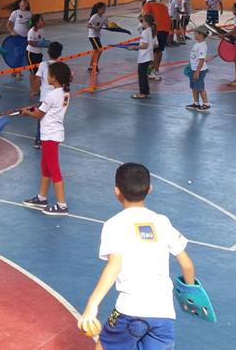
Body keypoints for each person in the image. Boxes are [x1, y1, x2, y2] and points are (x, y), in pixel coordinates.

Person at [77, 163, 195, 349]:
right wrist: (191, 294)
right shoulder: (162, 222)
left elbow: (114, 265)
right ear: (149, 189)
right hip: (163, 313)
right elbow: (186, 264)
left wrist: (92, 306)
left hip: (129, 311)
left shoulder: (114, 224)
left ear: (117, 191)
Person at [21, 61, 72, 216]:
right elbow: (47, 111)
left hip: (50, 135)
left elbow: (39, 114)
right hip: (52, 134)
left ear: (54, 78)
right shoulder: (64, 93)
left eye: (48, 74)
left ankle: (62, 205)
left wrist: (27, 112)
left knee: (53, 168)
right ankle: (42, 197)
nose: (46, 76)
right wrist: (34, 109)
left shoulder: (51, 95)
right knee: (45, 167)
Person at [33, 41, 64, 148]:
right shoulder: (61, 65)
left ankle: (39, 140)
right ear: (60, 53)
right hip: (57, 98)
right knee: (55, 118)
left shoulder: (43, 65)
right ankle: (52, 139)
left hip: (45, 97)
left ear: (48, 52)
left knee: (41, 118)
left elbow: (37, 79)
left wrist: (34, 90)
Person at [140, 0, 171, 81]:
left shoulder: (147, 5)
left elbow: (144, 16)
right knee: (159, 51)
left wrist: (142, 23)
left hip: (156, 29)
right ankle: (156, 70)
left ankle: (152, 72)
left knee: (152, 51)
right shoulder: (163, 6)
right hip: (166, 29)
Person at [6, 0, 32, 80]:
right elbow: (8, 24)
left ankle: (15, 70)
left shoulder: (29, 14)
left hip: (25, 38)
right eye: (21, 5)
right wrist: (11, 32)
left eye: (25, 5)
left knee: (22, 54)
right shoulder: (15, 13)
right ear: (19, 5)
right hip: (17, 37)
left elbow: (30, 24)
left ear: (27, 5)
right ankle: (18, 73)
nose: (23, 6)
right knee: (19, 54)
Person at [186, 26, 210, 112]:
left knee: (200, 87)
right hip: (194, 69)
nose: (194, 34)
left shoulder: (202, 46)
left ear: (200, 34)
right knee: (194, 87)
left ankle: (206, 104)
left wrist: (197, 71)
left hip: (199, 70)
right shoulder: (197, 44)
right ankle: (196, 103)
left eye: (195, 33)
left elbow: (202, 59)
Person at [133, 14, 155, 100]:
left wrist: (135, 47)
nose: (141, 22)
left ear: (146, 22)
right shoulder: (150, 30)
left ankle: (142, 93)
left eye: (143, 21)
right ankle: (146, 91)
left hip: (144, 56)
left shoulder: (145, 32)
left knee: (141, 75)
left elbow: (145, 45)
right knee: (144, 75)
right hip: (148, 55)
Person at [27, 15, 48, 98]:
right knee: (33, 72)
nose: (43, 21)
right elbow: (30, 42)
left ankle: (37, 88)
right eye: (41, 20)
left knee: (38, 72)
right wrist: (39, 44)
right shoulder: (32, 31)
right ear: (37, 22)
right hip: (31, 53)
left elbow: (42, 40)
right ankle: (32, 90)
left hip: (38, 54)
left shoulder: (41, 30)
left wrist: (47, 44)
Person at [87, 2, 106, 72]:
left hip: (97, 36)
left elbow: (108, 25)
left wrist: (115, 27)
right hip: (92, 36)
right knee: (100, 50)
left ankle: (90, 66)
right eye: (103, 8)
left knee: (96, 51)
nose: (104, 10)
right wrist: (95, 27)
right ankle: (95, 65)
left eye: (105, 8)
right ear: (99, 9)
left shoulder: (103, 17)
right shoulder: (94, 16)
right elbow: (88, 25)